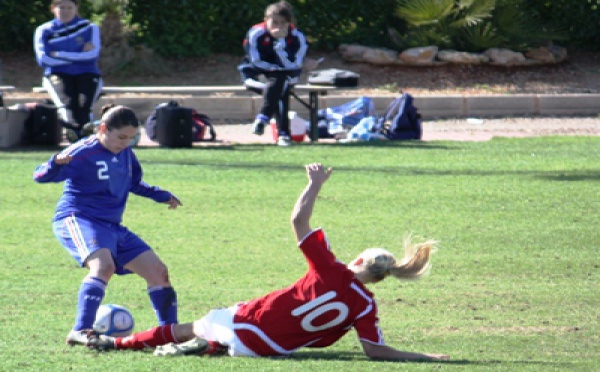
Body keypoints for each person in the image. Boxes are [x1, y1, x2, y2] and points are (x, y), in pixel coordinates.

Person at [87, 163, 450, 362]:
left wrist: (315, 184)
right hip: (274, 349)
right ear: (383, 278)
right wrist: (427, 357)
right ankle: (211, 347)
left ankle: (117, 344)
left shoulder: (331, 269)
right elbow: (375, 350)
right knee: (217, 333)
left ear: (357, 260)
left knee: (191, 326)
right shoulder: (365, 304)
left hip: (250, 323)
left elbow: (298, 222)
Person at [33, 104, 183, 347]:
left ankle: (169, 334)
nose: (125, 143)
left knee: (158, 272)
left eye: (131, 138)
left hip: (112, 225)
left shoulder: (125, 152)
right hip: (78, 218)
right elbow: (39, 176)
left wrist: (161, 195)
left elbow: (134, 183)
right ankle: (81, 330)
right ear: (103, 129)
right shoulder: (83, 152)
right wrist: (55, 163)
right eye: (121, 137)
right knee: (103, 267)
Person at [238, 1, 308, 147]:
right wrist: (274, 69)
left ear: (289, 23)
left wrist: (280, 43)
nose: (278, 26)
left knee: (279, 84)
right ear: (266, 20)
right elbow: (255, 61)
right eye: (274, 22)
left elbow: (295, 64)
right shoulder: (256, 33)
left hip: (286, 75)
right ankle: (283, 135)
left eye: (283, 23)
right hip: (256, 75)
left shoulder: (297, 36)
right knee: (278, 91)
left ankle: (262, 119)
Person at [34, 0, 103, 143]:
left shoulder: (89, 27)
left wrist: (59, 54)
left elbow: (92, 56)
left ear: (76, 8)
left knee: (84, 105)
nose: (65, 11)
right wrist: (79, 56)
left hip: (87, 72)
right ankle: (73, 135)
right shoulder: (44, 30)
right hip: (57, 73)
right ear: (53, 9)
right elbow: (43, 59)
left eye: (69, 7)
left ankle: (86, 140)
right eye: (61, 7)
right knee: (67, 105)